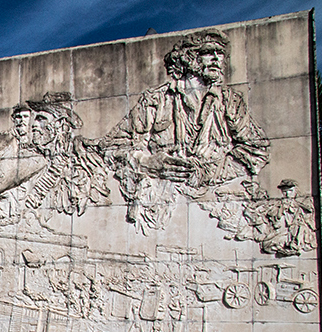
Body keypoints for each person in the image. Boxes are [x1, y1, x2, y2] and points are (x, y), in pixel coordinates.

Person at [102, 29, 270, 233]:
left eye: (221, 54)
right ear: (189, 57)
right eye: (209, 52)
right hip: (162, 206)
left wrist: (208, 172)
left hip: (213, 206)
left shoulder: (229, 101)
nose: (218, 59)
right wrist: (147, 162)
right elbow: (111, 146)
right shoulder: (156, 100)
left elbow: (257, 149)